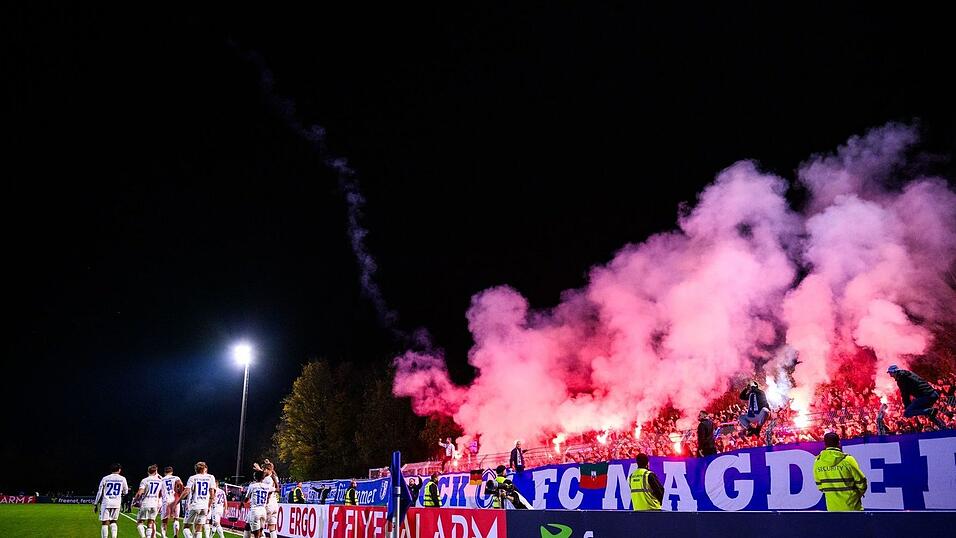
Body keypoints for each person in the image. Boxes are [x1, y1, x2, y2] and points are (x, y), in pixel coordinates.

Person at [814, 432, 867, 511]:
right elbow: (861, 482)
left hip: (832, 509)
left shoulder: (817, 462)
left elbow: (820, 486)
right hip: (853, 508)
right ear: (839, 443)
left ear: (825, 444)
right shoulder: (848, 460)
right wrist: (857, 494)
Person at [887, 365, 945, 429]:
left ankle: (929, 411)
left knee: (907, 413)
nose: (890, 375)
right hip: (933, 394)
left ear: (895, 372)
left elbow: (905, 394)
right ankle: (944, 428)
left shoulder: (901, 379)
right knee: (930, 416)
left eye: (890, 373)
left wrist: (907, 407)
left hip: (926, 396)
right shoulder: (909, 373)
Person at [94, 463, 130, 538]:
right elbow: (126, 491)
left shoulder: (105, 478)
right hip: (116, 503)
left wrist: (96, 503)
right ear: (119, 470)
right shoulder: (122, 478)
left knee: (104, 522)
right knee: (113, 521)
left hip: (106, 502)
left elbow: (99, 491)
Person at [181, 461, 216, 538]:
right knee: (198, 529)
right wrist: (209, 506)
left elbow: (187, 491)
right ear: (204, 469)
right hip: (204, 506)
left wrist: (178, 501)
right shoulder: (211, 477)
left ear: (196, 469)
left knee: (186, 527)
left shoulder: (193, 478)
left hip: (195, 505)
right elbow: (212, 494)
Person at [135, 464, 168, 538]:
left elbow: (140, 492)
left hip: (146, 503)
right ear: (156, 471)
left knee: (139, 522)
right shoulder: (160, 481)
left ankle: (143, 536)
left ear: (148, 472)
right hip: (155, 504)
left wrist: (135, 500)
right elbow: (162, 493)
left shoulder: (145, 480)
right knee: (150, 522)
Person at [243, 470, 274, 538]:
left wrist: (243, 503)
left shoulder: (252, 486)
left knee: (256, 535)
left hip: (255, 511)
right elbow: (277, 489)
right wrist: (274, 478)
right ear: (263, 478)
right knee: (260, 533)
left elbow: (246, 499)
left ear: (255, 477)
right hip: (263, 511)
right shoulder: (267, 486)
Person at [160, 467, 185, 538]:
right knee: (176, 518)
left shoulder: (162, 479)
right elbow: (180, 484)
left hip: (166, 500)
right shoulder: (175, 477)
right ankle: (175, 534)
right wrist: (180, 492)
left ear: (165, 472)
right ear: (172, 472)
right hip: (175, 499)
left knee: (164, 520)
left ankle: (164, 536)